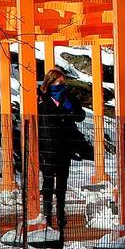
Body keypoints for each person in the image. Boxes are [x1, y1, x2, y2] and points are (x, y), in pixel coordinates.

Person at [36, 67, 89, 232]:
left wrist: (70, 111)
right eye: (59, 82)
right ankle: (47, 213)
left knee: (62, 183)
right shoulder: (41, 99)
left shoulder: (68, 98)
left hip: (64, 146)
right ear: (51, 82)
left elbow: (80, 115)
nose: (62, 85)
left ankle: (60, 213)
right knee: (48, 183)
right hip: (47, 146)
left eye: (63, 82)